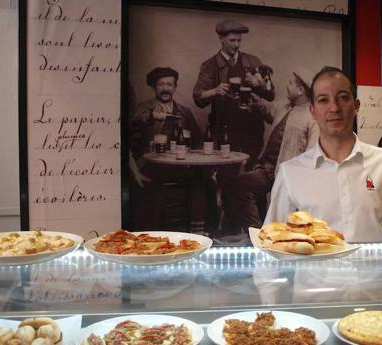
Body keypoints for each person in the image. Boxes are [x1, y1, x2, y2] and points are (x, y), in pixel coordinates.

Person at [264, 67, 382, 242]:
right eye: (323, 100)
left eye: (342, 98)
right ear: (312, 111)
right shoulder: (290, 173)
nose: (334, 107)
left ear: (356, 106)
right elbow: (271, 244)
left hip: (379, 271)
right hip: (316, 272)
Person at [223, 69, 319, 234]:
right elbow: (267, 109)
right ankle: (256, 232)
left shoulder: (312, 118)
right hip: (265, 168)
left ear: (301, 90)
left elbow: (312, 154)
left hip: (284, 176)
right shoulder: (285, 107)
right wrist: (253, 97)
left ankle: (255, 234)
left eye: (290, 84)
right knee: (237, 185)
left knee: (239, 186)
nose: (286, 86)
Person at [129, 67, 206, 233]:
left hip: (179, 167)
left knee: (203, 182)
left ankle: (198, 233)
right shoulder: (145, 108)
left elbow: (198, 142)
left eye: (169, 85)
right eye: (161, 84)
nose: (165, 88)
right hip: (151, 167)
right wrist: (151, 116)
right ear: (154, 87)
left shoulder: (185, 112)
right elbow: (137, 119)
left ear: (175, 87)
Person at [193, 19, 275, 170]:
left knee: (252, 173)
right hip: (224, 130)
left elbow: (271, 95)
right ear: (221, 39)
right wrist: (214, 90)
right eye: (232, 40)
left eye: (239, 40)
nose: (236, 45)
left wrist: (261, 85)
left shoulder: (253, 61)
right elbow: (198, 97)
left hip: (252, 129)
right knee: (226, 173)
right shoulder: (209, 65)